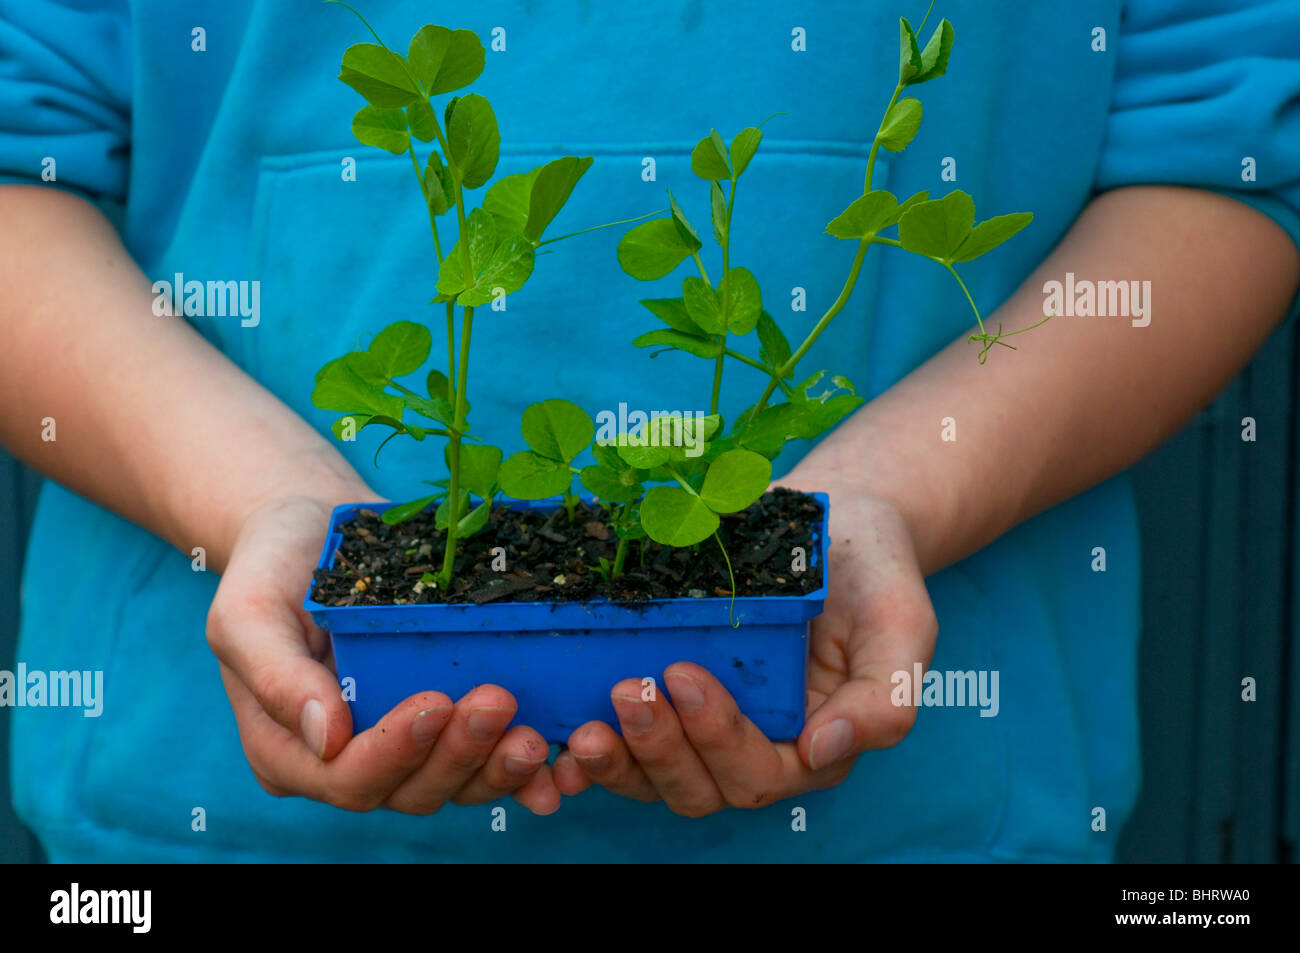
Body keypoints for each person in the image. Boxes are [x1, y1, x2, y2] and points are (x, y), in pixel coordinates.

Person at [1, 0, 1297, 862]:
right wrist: (248, 499)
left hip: (930, 819)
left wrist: (896, 490)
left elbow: (1224, 142)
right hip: (200, 821)